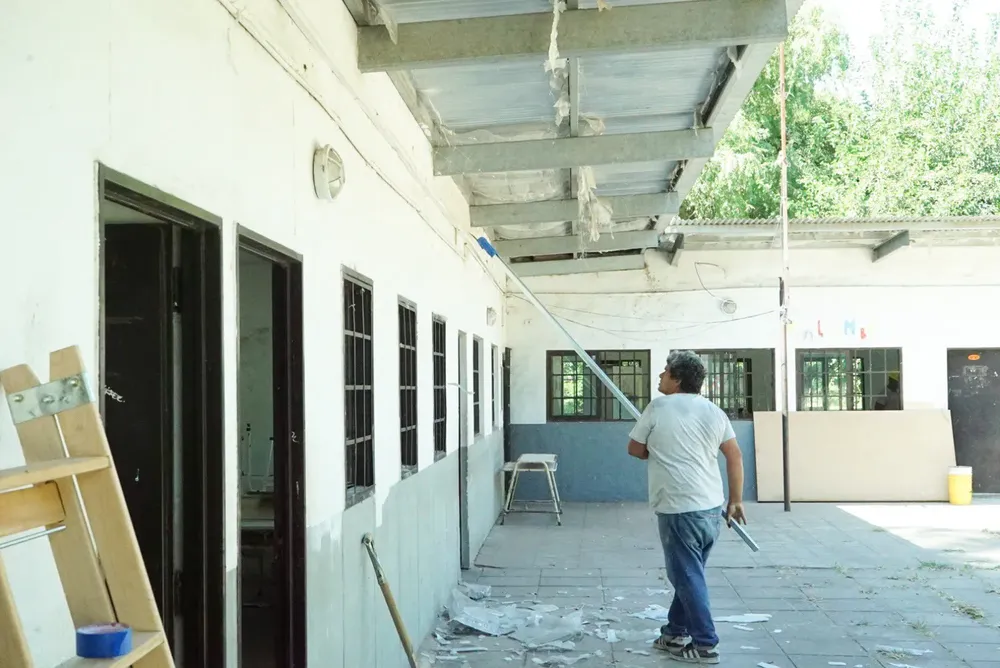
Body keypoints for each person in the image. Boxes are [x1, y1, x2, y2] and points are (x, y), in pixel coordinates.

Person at [626, 350, 747, 665]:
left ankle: (705, 644)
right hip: (711, 508)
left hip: (678, 507)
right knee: (689, 574)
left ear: (677, 379)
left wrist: (657, 449)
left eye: (665, 371)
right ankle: (674, 633)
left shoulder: (658, 407)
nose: (660, 376)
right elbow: (734, 455)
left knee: (688, 577)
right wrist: (735, 500)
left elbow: (635, 448)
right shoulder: (714, 411)